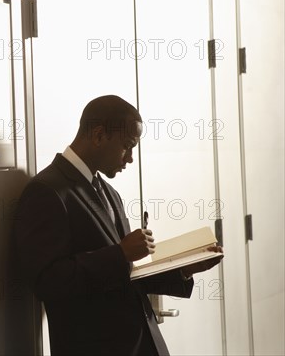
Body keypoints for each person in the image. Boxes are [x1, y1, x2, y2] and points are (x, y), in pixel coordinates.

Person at [13, 95, 223, 355]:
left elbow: (125, 274)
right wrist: (120, 253)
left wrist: (183, 269)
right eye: (127, 146)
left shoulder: (108, 192)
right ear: (99, 135)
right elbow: (48, 282)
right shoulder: (46, 190)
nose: (131, 158)